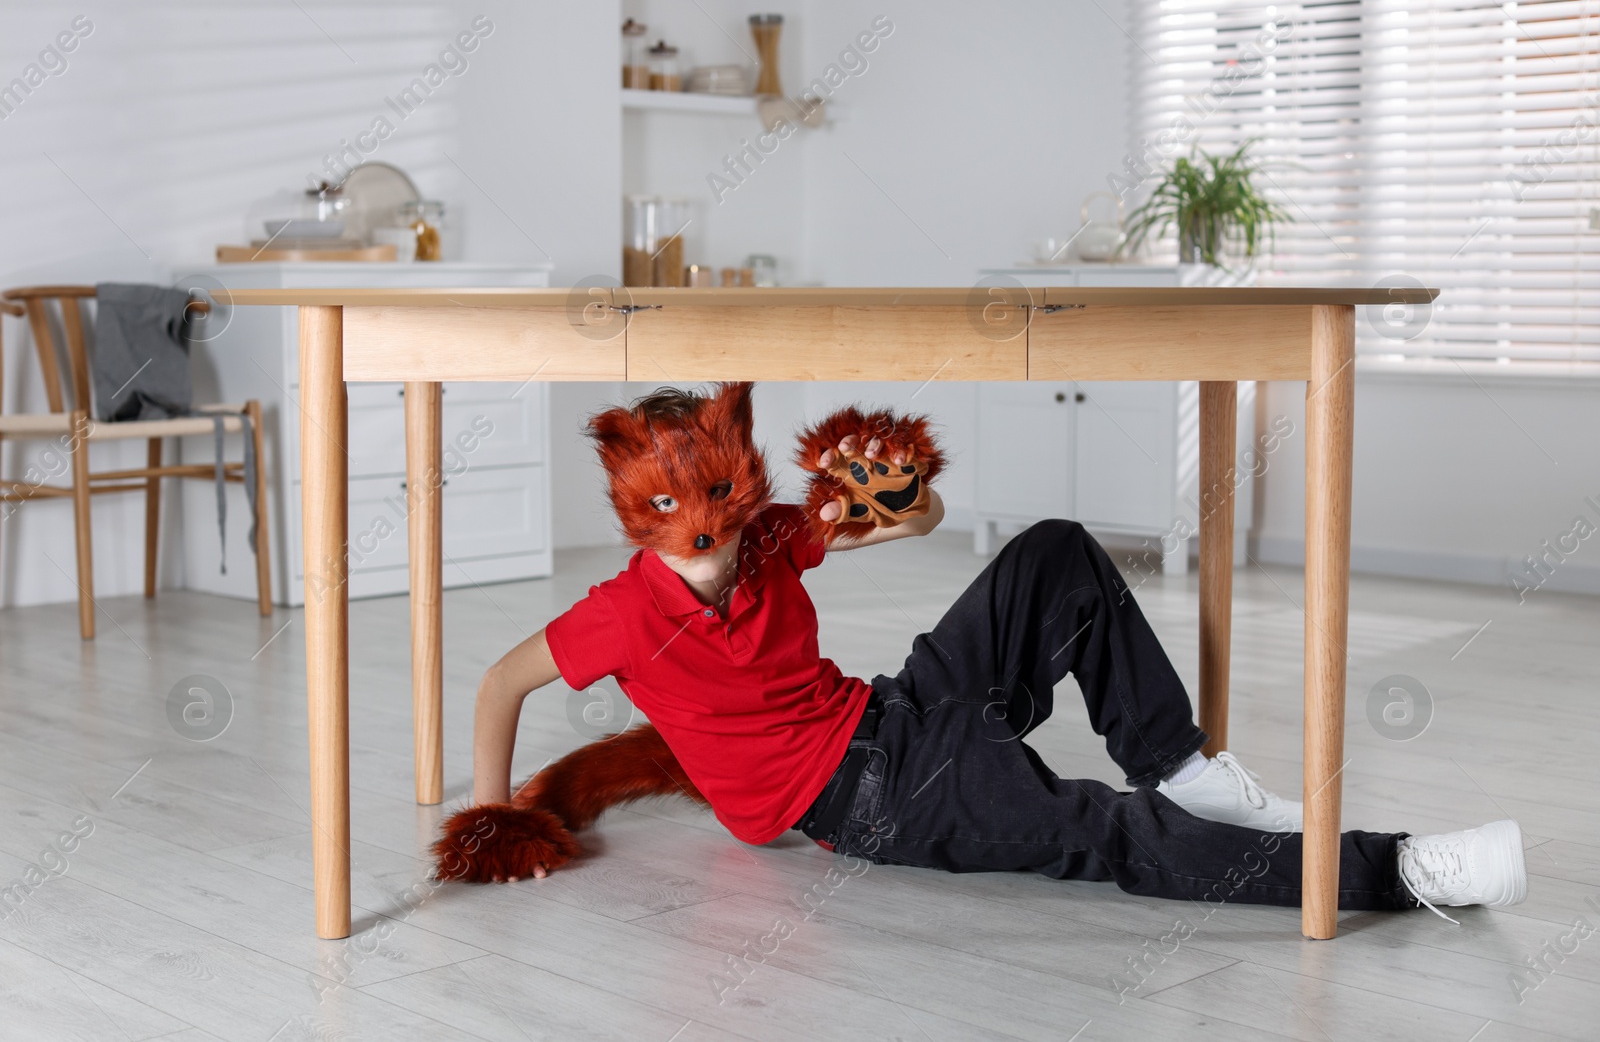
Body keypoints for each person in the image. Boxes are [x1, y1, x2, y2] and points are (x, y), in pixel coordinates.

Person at [435, 382, 1526, 923]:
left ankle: (1193, 770)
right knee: (1105, 830)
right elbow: (498, 681)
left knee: (1049, 548)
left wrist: (903, 486)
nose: (708, 530)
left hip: (893, 711)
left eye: (719, 494)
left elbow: (905, 525)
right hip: (865, 797)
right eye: (676, 505)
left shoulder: (768, 539)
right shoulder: (619, 612)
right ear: (641, 509)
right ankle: (1397, 869)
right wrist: (493, 817)